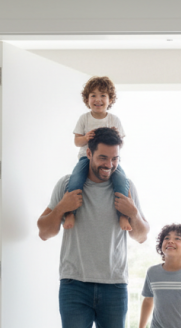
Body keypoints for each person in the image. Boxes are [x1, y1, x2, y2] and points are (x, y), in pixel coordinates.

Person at [36, 126, 150, 328]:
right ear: (88, 153)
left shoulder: (125, 187)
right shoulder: (67, 185)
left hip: (114, 285)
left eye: (115, 159)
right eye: (103, 158)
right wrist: (61, 208)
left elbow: (142, 235)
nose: (109, 165)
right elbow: (44, 232)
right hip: (74, 285)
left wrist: (133, 214)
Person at [62, 76, 132, 232]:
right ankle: (69, 213)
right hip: (86, 159)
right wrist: (86, 137)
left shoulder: (114, 120)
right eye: (93, 95)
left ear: (110, 99)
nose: (98, 99)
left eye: (103, 95)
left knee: (121, 180)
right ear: (87, 99)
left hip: (110, 160)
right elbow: (77, 141)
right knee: (75, 179)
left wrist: (117, 137)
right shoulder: (84, 119)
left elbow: (121, 145)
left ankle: (123, 215)